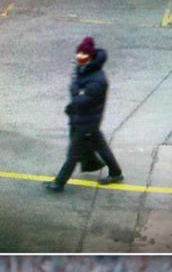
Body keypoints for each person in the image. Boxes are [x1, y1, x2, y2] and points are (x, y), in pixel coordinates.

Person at [44, 37, 123, 192]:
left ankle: (59, 183)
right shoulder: (85, 70)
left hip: (85, 121)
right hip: (85, 119)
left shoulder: (97, 81)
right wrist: (77, 89)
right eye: (78, 54)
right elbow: (78, 94)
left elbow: (81, 101)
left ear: (90, 58)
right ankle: (116, 172)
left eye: (82, 55)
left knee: (73, 154)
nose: (79, 58)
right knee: (101, 146)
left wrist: (75, 89)